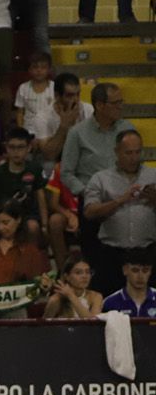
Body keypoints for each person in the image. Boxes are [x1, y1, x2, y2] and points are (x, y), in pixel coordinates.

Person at [83, 128, 156, 268]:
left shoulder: (154, 175)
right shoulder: (100, 178)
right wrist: (120, 201)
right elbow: (89, 212)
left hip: (148, 253)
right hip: (111, 254)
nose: (134, 158)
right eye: (128, 153)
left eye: (138, 152)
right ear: (117, 152)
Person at [61, 82, 131, 199]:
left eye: (121, 102)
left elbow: (138, 163)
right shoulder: (77, 132)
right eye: (115, 103)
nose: (120, 106)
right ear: (99, 105)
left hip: (124, 197)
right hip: (92, 200)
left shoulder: (128, 129)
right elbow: (66, 173)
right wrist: (87, 192)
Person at [42, 252, 103, 319]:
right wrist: (70, 295)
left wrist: (71, 296)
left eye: (88, 272)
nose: (84, 276)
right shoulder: (56, 299)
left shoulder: (96, 296)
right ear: (67, 276)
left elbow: (93, 324)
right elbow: (43, 327)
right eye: (78, 272)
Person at [100, 249, 156, 317]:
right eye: (135, 270)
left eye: (145, 270)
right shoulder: (109, 303)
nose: (140, 276)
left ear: (150, 271)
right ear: (125, 270)